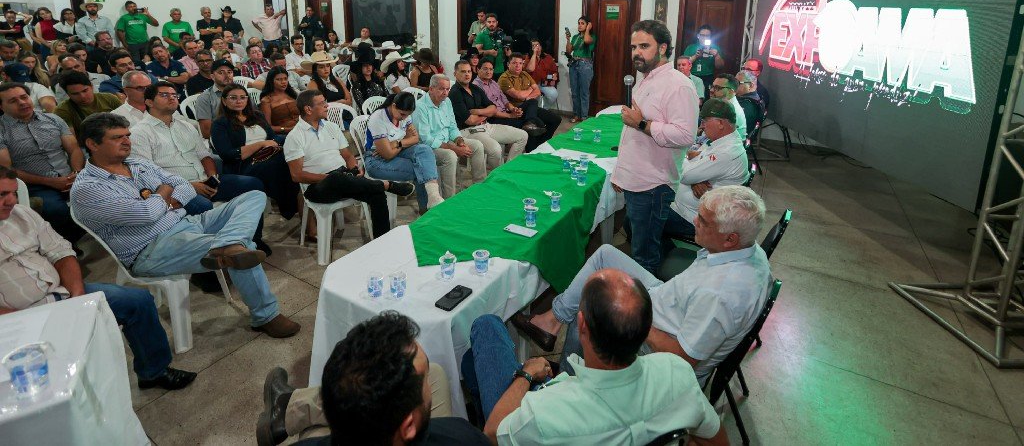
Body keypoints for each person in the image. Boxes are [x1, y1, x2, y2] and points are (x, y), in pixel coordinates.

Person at [516, 186, 771, 389]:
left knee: (591, 308)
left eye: (704, 221)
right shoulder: (748, 250)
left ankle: (569, 386)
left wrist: (634, 319)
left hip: (660, 344)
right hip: (668, 301)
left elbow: (682, 360)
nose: (694, 221)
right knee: (605, 255)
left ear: (730, 239)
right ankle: (553, 320)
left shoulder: (720, 294)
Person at [70, 112, 300, 338]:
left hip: (187, 222)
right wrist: (164, 193)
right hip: (151, 249)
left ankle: (229, 243)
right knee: (245, 248)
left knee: (253, 196)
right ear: (92, 144)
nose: (127, 141)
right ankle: (266, 316)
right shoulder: (88, 188)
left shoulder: (137, 163)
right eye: (117, 137)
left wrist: (164, 200)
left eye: (127, 135)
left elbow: (184, 185)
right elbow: (146, 213)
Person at [465, 270, 726, 446]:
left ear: (581, 326)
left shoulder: (544, 413)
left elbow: (493, 433)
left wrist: (527, 374)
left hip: (533, 422)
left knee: (487, 326)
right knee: (472, 363)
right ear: (647, 329)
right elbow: (716, 439)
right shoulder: (677, 373)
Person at [0, 167, 197, 391]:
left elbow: (60, 252)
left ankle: (154, 372)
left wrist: (76, 295)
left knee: (138, 301)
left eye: (14, 193)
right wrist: (30, 320)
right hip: (17, 318)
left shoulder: (22, 215)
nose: (11, 201)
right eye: (2, 194)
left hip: (61, 293)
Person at [259, 311, 485, 446]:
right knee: (435, 371)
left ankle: (288, 408)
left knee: (431, 371)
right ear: (408, 426)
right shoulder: (462, 436)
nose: (427, 382)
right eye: (423, 380)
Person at [130, 81, 268, 252]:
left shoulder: (186, 126)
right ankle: (212, 253)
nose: (172, 98)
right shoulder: (140, 133)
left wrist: (212, 177)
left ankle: (252, 239)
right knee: (202, 205)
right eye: (164, 95)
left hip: (204, 180)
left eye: (174, 95)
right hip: (176, 189)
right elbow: (147, 175)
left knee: (253, 184)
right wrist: (190, 186)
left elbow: (205, 155)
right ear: (149, 102)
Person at [612, 19, 699, 274]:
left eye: (644, 46)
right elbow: (632, 134)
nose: (636, 53)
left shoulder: (678, 85)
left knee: (644, 256)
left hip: (653, 185)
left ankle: (648, 296)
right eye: (633, 47)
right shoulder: (645, 79)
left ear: (662, 48)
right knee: (645, 241)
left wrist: (642, 124)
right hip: (638, 178)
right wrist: (622, 173)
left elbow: (685, 135)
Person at [284, 91, 412, 238]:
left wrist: (354, 168)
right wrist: (327, 177)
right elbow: (297, 175)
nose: (327, 106)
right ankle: (386, 184)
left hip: (343, 177)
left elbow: (348, 155)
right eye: (322, 103)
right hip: (318, 186)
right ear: (308, 109)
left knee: (376, 194)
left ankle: (382, 240)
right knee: (336, 177)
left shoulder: (331, 127)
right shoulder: (295, 136)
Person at [0, 83, 84, 244]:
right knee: (55, 210)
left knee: (100, 195)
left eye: (24, 97)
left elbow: (74, 149)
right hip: (36, 184)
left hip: (71, 176)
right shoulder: (2, 130)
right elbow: (7, 169)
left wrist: (76, 173)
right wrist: (50, 181)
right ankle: (66, 245)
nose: (22, 103)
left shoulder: (53, 119)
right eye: (13, 101)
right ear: (1, 106)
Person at [211, 84, 300, 221]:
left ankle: (302, 198)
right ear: (224, 101)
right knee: (278, 164)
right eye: (233, 98)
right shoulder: (220, 124)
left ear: (247, 99)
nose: (239, 101)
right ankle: (291, 206)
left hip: (269, 153)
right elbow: (227, 154)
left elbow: (273, 137)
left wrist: (274, 143)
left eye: (242, 97)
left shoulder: (257, 115)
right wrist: (260, 144)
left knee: (294, 156)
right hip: (243, 164)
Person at [666, 99, 750, 240]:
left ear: (721, 123)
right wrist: (694, 179)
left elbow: (685, 174)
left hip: (694, 219)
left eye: (705, 121)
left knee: (641, 216)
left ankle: (657, 253)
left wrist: (689, 167)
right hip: (688, 209)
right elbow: (692, 163)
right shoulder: (721, 141)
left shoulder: (726, 152)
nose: (702, 126)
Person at [362, 92, 444, 212]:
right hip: (376, 160)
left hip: (397, 151)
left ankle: (433, 198)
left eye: (408, 115)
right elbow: (387, 155)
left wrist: (397, 143)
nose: (405, 118)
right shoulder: (378, 119)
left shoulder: (405, 114)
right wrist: (404, 140)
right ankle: (427, 211)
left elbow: (415, 139)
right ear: (394, 106)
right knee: (423, 168)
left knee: (424, 150)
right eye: (402, 114)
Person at [412, 75, 485, 199]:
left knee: (477, 146)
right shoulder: (420, 106)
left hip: (447, 141)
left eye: (447, 89)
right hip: (428, 147)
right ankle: (449, 198)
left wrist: (460, 141)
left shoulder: (447, 102)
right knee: (450, 156)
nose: (445, 93)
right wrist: (454, 148)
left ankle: (480, 188)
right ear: (431, 89)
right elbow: (426, 139)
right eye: (441, 89)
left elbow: (452, 127)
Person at [449, 60, 527, 170]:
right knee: (496, 149)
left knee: (523, 135)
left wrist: (478, 112)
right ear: (455, 74)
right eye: (463, 71)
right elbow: (470, 121)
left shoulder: (475, 88)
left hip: (486, 126)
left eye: (469, 71)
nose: (467, 74)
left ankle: (508, 169)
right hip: (469, 131)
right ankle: (499, 175)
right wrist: (487, 113)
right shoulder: (455, 92)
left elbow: (493, 108)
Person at [498, 53, 560, 142]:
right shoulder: (504, 78)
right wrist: (531, 89)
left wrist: (527, 97)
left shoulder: (525, 74)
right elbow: (519, 96)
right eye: (514, 63)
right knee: (538, 121)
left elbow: (537, 91)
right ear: (508, 64)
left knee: (556, 119)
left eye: (520, 63)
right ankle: (530, 126)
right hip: (516, 109)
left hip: (530, 107)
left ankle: (540, 143)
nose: (518, 66)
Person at [54, 70, 122, 144]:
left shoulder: (110, 99)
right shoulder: (62, 110)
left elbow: (125, 122)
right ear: (68, 94)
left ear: (92, 86)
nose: (82, 96)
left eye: (85, 91)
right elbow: (72, 142)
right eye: (75, 94)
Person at [195, 58, 236, 138]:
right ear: (212, 76)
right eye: (221, 72)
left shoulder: (241, 93)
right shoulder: (205, 98)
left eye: (229, 72)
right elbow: (206, 132)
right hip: (223, 137)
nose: (227, 75)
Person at [565, 16, 595, 122]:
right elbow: (569, 51)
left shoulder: (592, 37)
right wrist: (568, 39)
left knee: (584, 92)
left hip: (585, 65)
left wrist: (588, 30)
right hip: (574, 64)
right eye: (579, 23)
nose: (579, 25)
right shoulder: (575, 37)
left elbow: (586, 40)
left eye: (582, 23)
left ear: (588, 25)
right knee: (574, 92)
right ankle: (576, 115)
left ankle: (584, 117)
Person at [682, 25, 725, 95]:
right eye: (702, 35)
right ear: (698, 36)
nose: (705, 38)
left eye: (707, 36)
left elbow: (720, 66)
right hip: (692, 76)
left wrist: (716, 55)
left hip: (708, 77)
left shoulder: (715, 48)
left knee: (706, 98)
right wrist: (696, 56)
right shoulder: (690, 47)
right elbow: (684, 65)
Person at [259, 66, 301, 135]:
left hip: (302, 129)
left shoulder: (292, 94)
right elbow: (268, 127)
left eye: (285, 79)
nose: (283, 82)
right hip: (284, 134)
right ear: (271, 81)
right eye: (279, 79)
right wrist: (286, 129)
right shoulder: (266, 101)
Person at [710, 74, 747, 143]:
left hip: (726, 146)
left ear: (731, 92)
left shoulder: (729, 110)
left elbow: (714, 136)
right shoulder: (724, 104)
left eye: (717, 88)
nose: (711, 90)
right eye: (712, 86)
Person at [526, 38, 559, 108]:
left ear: (541, 46)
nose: (535, 47)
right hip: (532, 84)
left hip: (545, 83)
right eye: (533, 46)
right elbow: (530, 69)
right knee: (533, 99)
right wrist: (534, 54)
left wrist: (554, 76)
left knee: (554, 94)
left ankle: (545, 109)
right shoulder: (528, 57)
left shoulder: (548, 57)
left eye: (537, 45)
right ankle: (536, 110)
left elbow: (554, 71)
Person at [735, 69, 765, 137]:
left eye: (738, 83)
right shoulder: (756, 99)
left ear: (751, 85)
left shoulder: (748, 105)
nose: (734, 85)